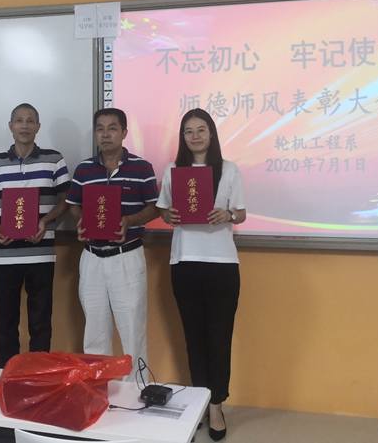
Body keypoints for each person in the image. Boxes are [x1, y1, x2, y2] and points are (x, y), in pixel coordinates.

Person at [156, 108, 246, 442]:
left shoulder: (229, 169)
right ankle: (201, 403)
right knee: (193, 338)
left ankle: (217, 405)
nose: (195, 136)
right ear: (183, 137)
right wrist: (169, 216)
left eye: (201, 130)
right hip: (184, 262)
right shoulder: (173, 170)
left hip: (222, 264)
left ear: (211, 134)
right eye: (189, 131)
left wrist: (228, 215)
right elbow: (164, 210)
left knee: (219, 338)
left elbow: (241, 213)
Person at [66, 108, 159, 380]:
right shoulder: (84, 169)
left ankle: (136, 391)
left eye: (112, 128)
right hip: (92, 258)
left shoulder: (142, 167)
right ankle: (99, 390)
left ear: (124, 133)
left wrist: (130, 220)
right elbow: (73, 205)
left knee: (132, 330)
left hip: (126, 257)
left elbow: (154, 208)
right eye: (100, 129)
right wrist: (82, 221)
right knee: (95, 332)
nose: (105, 134)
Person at [0, 103, 70, 368]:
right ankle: (8, 376)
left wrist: (45, 221)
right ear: (11, 126)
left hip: (41, 255)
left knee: (40, 323)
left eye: (30, 121)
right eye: (19, 120)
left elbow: (66, 200)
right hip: (4, 256)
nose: (24, 126)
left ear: (38, 127)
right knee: (6, 324)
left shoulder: (54, 160)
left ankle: (37, 375)